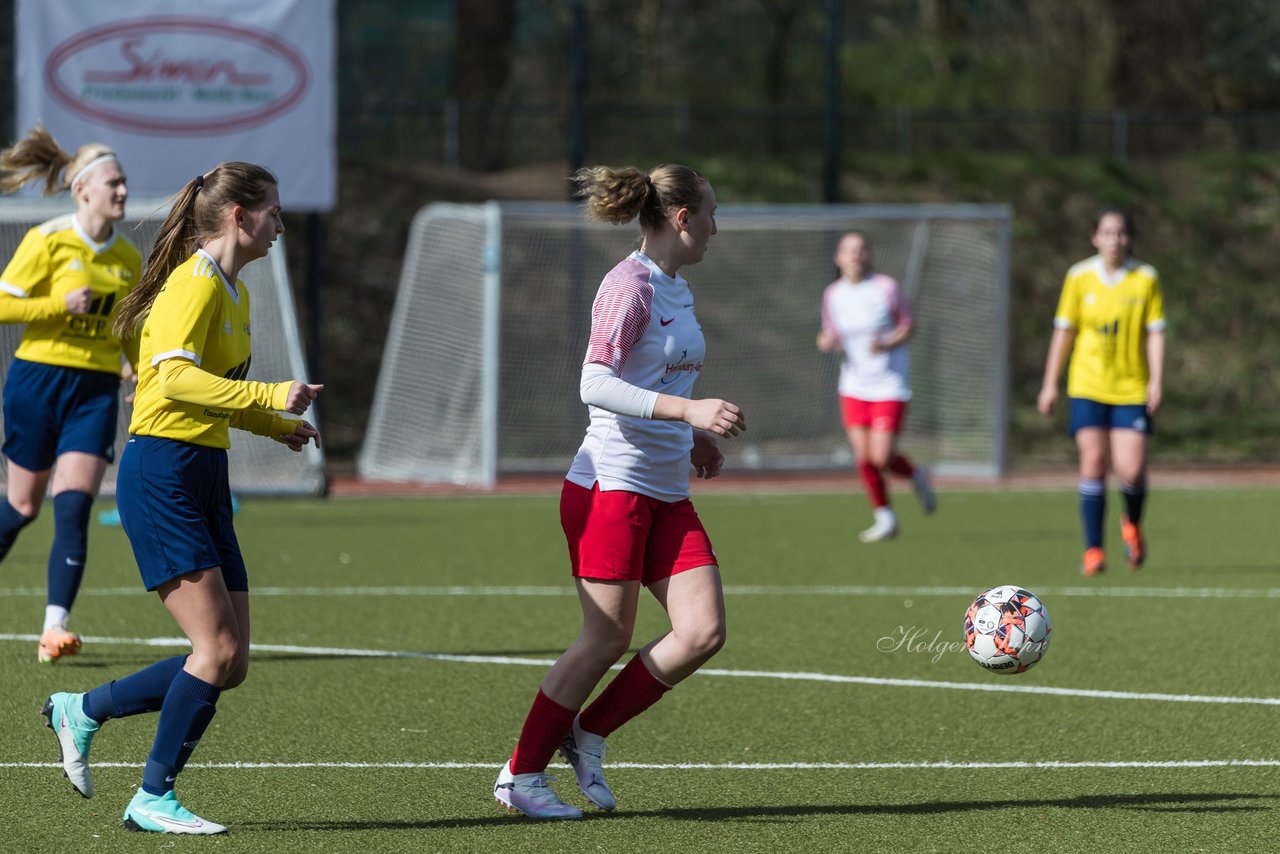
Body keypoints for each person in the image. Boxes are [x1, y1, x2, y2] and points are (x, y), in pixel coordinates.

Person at [41, 162, 322, 835]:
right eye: (274, 212)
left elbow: (214, 392)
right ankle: (152, 797)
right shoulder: (192, 285)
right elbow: (171, 380)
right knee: (216, 650)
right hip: (161, 474)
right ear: (239, 217)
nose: (282, 224)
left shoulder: (235, 291)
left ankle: (83, 709)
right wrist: (264, 395)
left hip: (202, 474)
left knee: (231, 661)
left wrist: (277, 424)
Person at [492, 163, 746, 820]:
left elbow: (661, 377)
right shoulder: (627, 284)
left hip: (665, 489)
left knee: (702, 631)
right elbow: (595, 384)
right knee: (604, 639)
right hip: (612, 488)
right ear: (682, 219)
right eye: (711, 215)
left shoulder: (676, 288)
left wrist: (692, 438)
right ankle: (520, 775)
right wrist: (688, 415)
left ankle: (589, 731)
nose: (718, 228)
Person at [0, 126, 139, 663]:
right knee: (20, 507)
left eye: (125, 182)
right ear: (82, 189)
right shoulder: (48, 240)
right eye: (114, 182)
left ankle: (55, 628)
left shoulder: (127, 258)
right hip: (37, 381)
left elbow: (128, 328)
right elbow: (5, 304)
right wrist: (57, 305)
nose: (123, 190)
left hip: (95, 390)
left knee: (74, 503)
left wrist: (136, 363)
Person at [1037, 208, 1165, 576]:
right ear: (1095, 237)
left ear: (1130, 238)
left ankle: (1133, 524)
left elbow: (1155, 332)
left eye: (1121, 233)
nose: (1114, 239)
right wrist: (1050, 383)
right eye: (1107, 232)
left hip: (1130, 385)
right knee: (1093, 463)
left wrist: (1156, 379)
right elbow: (1064, 331)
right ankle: (1093, 550)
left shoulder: (1145, 278)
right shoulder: (1079, 277)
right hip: (1087, 384)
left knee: (1133, 469)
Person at [816, 231, 935, 543]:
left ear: (868, 255)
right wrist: (827, 341)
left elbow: (909, 326)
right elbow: (829, 333)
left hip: (889, 384)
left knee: (881, 457)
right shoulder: (833, 294)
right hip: (854, 385)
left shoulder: (885, 288)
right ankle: (885, 518)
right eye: (849, 250)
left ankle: (916, 474)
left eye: (861, 249)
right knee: (864, 457)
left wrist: (885, 342)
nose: (855, 255)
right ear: (838, 258)